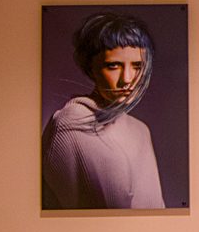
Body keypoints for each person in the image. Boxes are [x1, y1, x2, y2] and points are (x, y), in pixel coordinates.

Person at [43, 11, 165, 209]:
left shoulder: (141, 130)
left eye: (137, 66)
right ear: (91, 68)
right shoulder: (70, 124)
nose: (127, 79)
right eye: (113, 65)